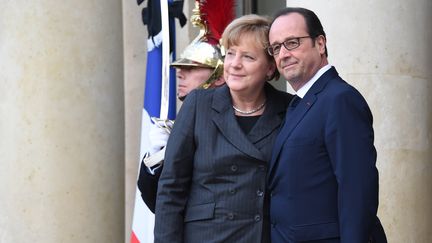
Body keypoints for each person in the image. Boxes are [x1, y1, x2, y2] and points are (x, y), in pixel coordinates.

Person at [153, 14, 293, 243]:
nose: (235, 64)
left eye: (247, 57)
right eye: (230, 54)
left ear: (269, 68)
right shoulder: (199, 104)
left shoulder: (288, 109)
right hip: (206, 236)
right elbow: (171, 188)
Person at [266, 7, 387, 243]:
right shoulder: (300, 103)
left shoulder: (340, 99)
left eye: (292, 42)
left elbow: (357, 191)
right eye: (276, 47)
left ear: (320, 43)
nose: (283, 54)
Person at [137, 39, 225, 213]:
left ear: (219, 75)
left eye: (191, 68)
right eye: (181, 68)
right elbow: (156, 201)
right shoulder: (183, 124)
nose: (179, 74)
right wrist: (157, 157)